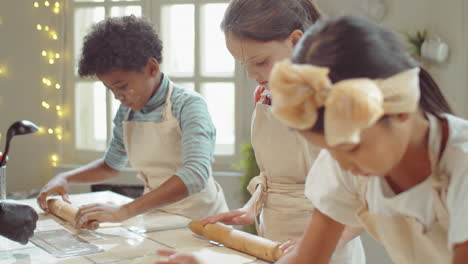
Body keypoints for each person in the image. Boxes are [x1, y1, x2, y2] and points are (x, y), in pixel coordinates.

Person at [270, 16, 468, 264]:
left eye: (351, 148)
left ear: (400, 109)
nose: (341, 164)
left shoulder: (462, 165)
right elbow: (309, 258)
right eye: (329, 151)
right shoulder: (350, 163)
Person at [202, 0, 365, 262]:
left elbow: (369, 196)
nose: (251, 74)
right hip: (273, 241)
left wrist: (323, 242)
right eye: (243, 64)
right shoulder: (265, 96)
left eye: (261, 61)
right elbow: (278, 180)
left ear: (296, 40)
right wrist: (251, 209)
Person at [37, 15, 228, 227]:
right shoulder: (126, 113)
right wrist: (65, 177)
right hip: (156, 217)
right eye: (111, 89)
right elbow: (111, 165)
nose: (118, 96)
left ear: (152, 68)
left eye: (122, 86)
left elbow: (195, 174)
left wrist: (124, 211)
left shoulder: (189, 105)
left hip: (204, 220)